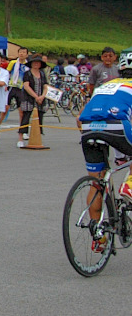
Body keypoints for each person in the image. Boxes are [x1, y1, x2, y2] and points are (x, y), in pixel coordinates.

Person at [78, 52, 132, 253]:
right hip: (116, 125)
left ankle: (98, 235)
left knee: (97, 181)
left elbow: (81, 116)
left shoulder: (105, 85)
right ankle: (129, 186)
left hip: (88, 127)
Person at [17, 55, 49, 148]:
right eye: (34, 62)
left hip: (41, 98)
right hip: (29, 98)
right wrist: (36, 96)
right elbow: (26, 86)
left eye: (38, 63)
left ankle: (37, 138)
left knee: (40, 117)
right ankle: (20, 138)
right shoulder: (27, 74)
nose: (36, 64)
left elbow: (46, 86)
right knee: (25, 117)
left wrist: (42, 96)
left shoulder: (42, 74)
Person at [0, 47, 28, 125]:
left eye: (23, 52)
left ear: (27, 55)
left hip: (21, 88)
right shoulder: (13, 63)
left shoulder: (28, 65)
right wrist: (5, 84)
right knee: (5, 108)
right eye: (20, 52)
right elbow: (6, 74)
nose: (21, 54)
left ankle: (22, 129)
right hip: (11, 86)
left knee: (21, 111)